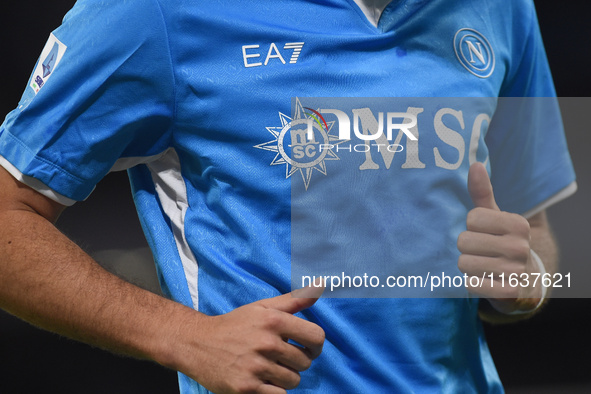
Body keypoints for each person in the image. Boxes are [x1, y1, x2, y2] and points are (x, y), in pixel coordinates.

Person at [0, 0, 577, 393]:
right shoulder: (155, 13)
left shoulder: (502, 8)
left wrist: (523, 280)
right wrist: (184, 336)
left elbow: (536, 233)